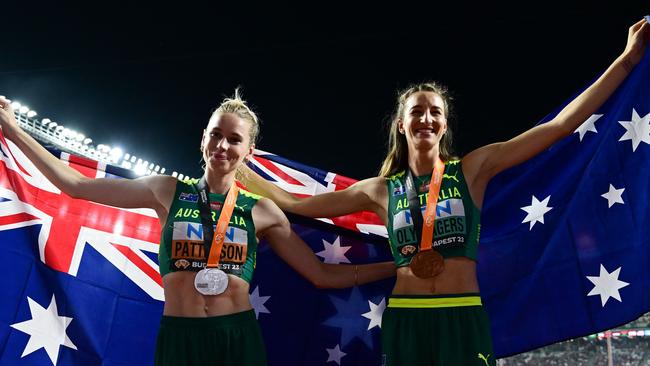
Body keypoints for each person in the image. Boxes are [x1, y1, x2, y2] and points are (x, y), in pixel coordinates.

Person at [236, 18, 650, 366]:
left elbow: (559, 127)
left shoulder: (474, 169)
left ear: (445, 125)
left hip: (462, 314)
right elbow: (295, 203)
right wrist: (239, 164)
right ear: (402, 125)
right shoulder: (380, 190)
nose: (427, 119)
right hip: (407, 318)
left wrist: (627, 60)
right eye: (417, 112)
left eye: (435, 112)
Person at [0, 91, 396, 366]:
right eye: (216, 135)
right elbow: (77, 186)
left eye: (234, 140)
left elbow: (322, 274)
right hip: (180, 335)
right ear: (203, 139)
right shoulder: (165, 191)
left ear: (248, 151)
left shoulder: (262, 211)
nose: (223, 146)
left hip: (236, 337)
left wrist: (397, 267)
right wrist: (14, 130)